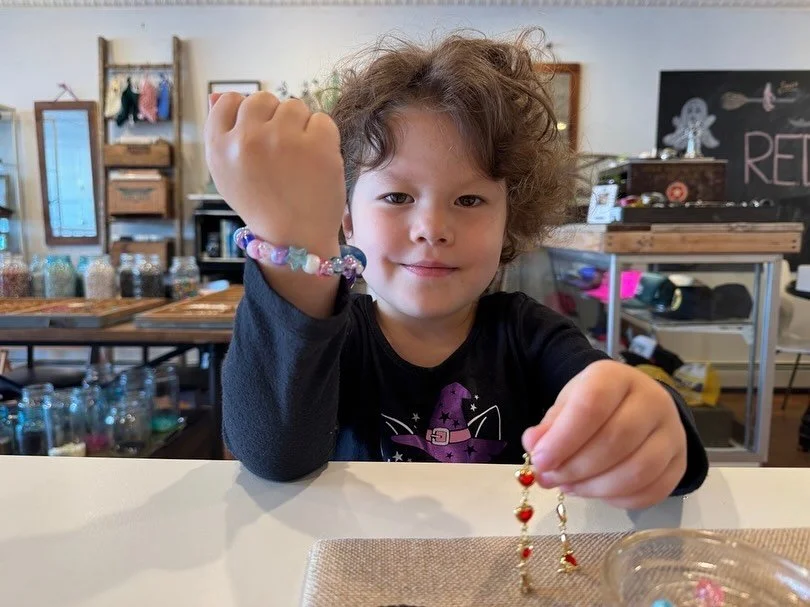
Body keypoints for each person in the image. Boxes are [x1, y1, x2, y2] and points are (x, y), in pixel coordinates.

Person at [206, 29, 708, 509]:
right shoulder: (340, 343)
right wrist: (295, 247)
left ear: (510, 220)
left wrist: (652, 421)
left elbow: (622, 408)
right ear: (347, 223)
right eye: (397, 196)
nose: (432, 228)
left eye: (469, 199)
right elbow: (273, 454)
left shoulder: (529, 336)